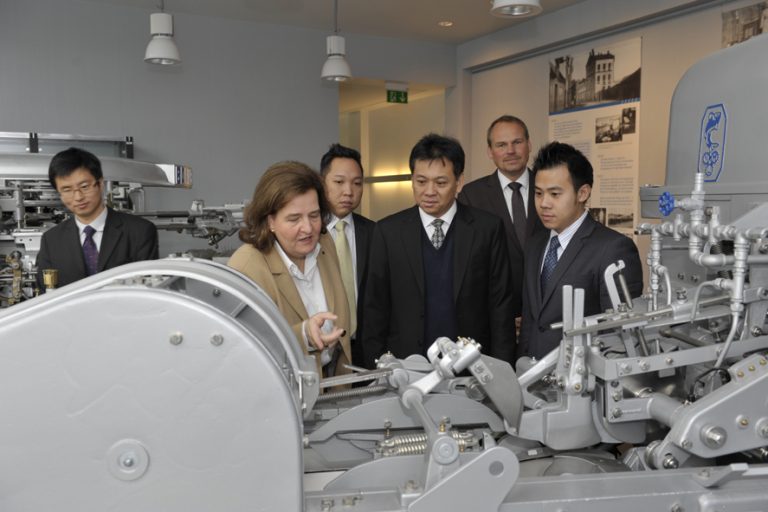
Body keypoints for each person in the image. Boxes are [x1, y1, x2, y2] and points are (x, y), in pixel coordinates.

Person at [362, 133, 515, 368]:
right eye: (421, 181)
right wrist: (378, 370)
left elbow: (500, 307)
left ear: (459, 182)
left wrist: (502, 371)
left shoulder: (487, 229)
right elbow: (374, 309)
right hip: (406, 367)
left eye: (441, 183)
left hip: (472, 367)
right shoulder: (387, 232)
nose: (429, 191)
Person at [518, 142, 643, 360]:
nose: (544, 203)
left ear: (583, 193)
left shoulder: (613, 249)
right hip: (533, 371)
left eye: (555, 194)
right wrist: (523, 366)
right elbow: (531, 320)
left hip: (581, 374)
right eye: (538, 193)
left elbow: (620, 336)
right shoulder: (535, 244)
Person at [228, 161, 352, 379]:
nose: (308, 228)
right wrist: (303, 335)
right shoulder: (247, 264)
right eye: (294, 219)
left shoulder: (325, 243)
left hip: (333, 384)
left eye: (314, 215)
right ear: (270, 221)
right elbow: (243, 346)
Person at [458, 115, 545, 320]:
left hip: (546, 309)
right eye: (501, 145)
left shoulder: (549, 188)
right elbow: (470, 264)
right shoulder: (471, 195)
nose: (510, 151)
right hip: (496, 314)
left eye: (517, 142)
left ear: (529, 145)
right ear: (490, 151)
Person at [36, 147, 159, 289]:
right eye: (67, 190)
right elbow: (46, 294)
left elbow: (148, 291)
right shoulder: (51, 241)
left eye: (84, 186)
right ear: (60, 194)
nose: (78, 197)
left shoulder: (140, 231)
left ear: (100, 184)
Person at [320, 144, 375, 368]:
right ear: (322, 183)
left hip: (365, 347)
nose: (349, 192)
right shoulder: (308, 234)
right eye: (339, 182)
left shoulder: (375, 233)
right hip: (322, 345)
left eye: (357, 183)